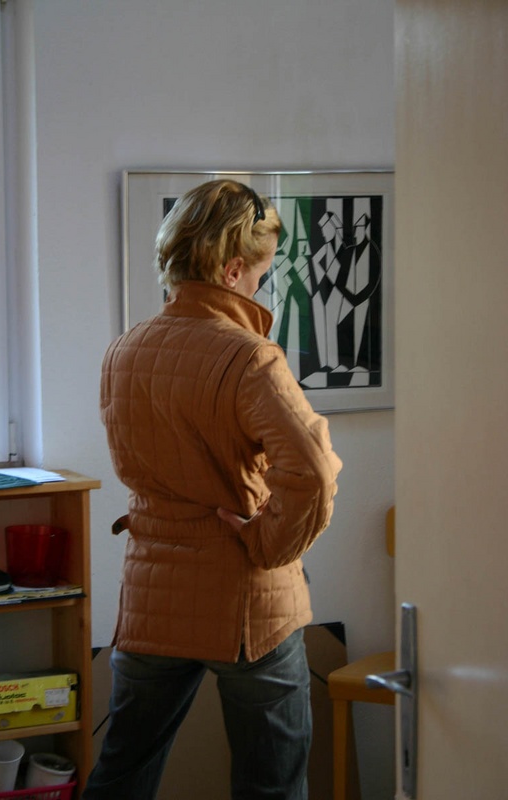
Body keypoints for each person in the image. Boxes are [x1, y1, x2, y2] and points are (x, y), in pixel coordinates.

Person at [82, 179, 342, 800]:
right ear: (231, 270)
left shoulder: (123, 351)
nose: (258, 288)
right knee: (271, 786)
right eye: (259, 274)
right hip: (246, 601)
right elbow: (312, 471)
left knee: (120, 777)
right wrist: (268, 543)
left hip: (153, 594)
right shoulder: (250, 357)